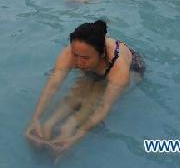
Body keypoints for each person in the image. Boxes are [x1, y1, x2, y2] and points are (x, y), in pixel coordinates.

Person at [25, 20, 144, 153]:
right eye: (75, 55)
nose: (79, 62)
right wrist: (36, 118)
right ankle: (49, 124)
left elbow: (104, 107)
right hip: (96, 66)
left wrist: (77, 135)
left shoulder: (119, 69)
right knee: (79, 90)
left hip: (131, 67)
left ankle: (68, 127)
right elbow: (52, 86)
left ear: (101, 55)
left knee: (95, 97)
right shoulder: (71, 53)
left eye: (85, 58)